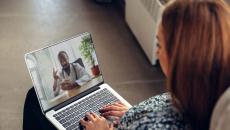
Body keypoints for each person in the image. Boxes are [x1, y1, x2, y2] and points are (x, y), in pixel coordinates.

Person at [23, 0, 230, 130]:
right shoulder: (206, 95)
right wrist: (135, 113)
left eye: (159, 44)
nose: (157, 52)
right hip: (121, 117)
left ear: (182, 56)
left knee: (35, 100)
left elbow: (85, 78)